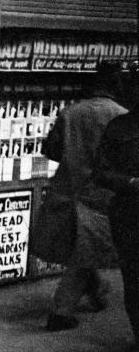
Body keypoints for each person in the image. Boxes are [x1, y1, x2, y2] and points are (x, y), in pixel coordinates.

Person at [37, 62, 127, 331]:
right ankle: (60, 311)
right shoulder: (121, 116)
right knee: (86, 252)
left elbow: (51, 150)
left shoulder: (69, 113)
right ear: (116, 87)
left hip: (66, 191)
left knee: (83, 249)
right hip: (101, 196)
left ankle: (96, 291)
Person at [95, 60, 139, 352]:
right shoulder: (119, 127)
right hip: (129, 213)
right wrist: (130, 183)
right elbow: (100, 171)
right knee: (134, 281)